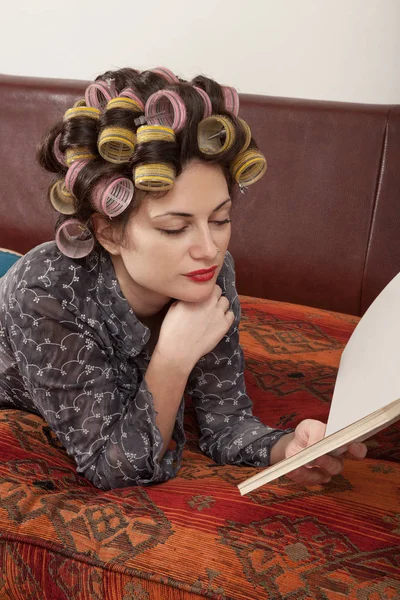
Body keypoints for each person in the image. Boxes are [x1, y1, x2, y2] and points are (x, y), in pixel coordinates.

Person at [0, 66, 367, 491]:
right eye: (175, 228)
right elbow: (110, 465)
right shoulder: (45, 292)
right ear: (107, 231)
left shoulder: (211, 269)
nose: (208, 248)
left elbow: (226, 422)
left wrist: (288, 449)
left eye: (221, 218)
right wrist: (172, 359)